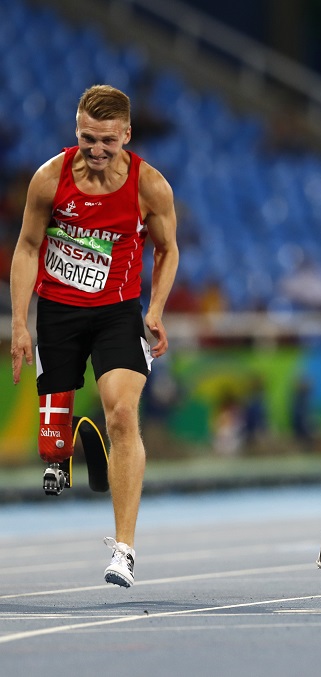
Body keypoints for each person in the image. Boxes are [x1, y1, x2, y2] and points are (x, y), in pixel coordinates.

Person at [9, 85, 180, 586]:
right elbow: (26, 246)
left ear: (127, 134)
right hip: (59, 310)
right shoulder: (49, 179)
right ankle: (59, 445)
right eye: (88, 138)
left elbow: (168, 251)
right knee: (50, 448)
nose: (97, 150)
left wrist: (157, 309)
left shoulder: (151, 186)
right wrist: (21, 322)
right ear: (75, 131)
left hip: (117, 312)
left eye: (108, 140)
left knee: (123, 413)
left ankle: (123, 549)